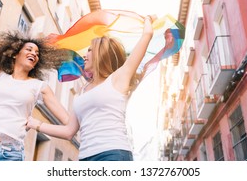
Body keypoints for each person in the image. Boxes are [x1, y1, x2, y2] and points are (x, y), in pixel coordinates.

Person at [27, 15, 155, 161]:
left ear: (101, 53)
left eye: (89, 50)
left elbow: (147, 35)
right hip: (85, 157)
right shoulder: (83, 90)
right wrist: (35, 124)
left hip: (113, 154)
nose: (85, 55)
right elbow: (69, 131)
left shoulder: (118, 78)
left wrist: (148, 21)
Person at [0, 31, 70, 161]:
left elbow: (68, 122)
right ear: (15, 54)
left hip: (7, 155)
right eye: (29, 49)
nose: (34, 54)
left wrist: (38, 125)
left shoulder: (39, 87)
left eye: (37, 54)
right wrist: (13, 42)